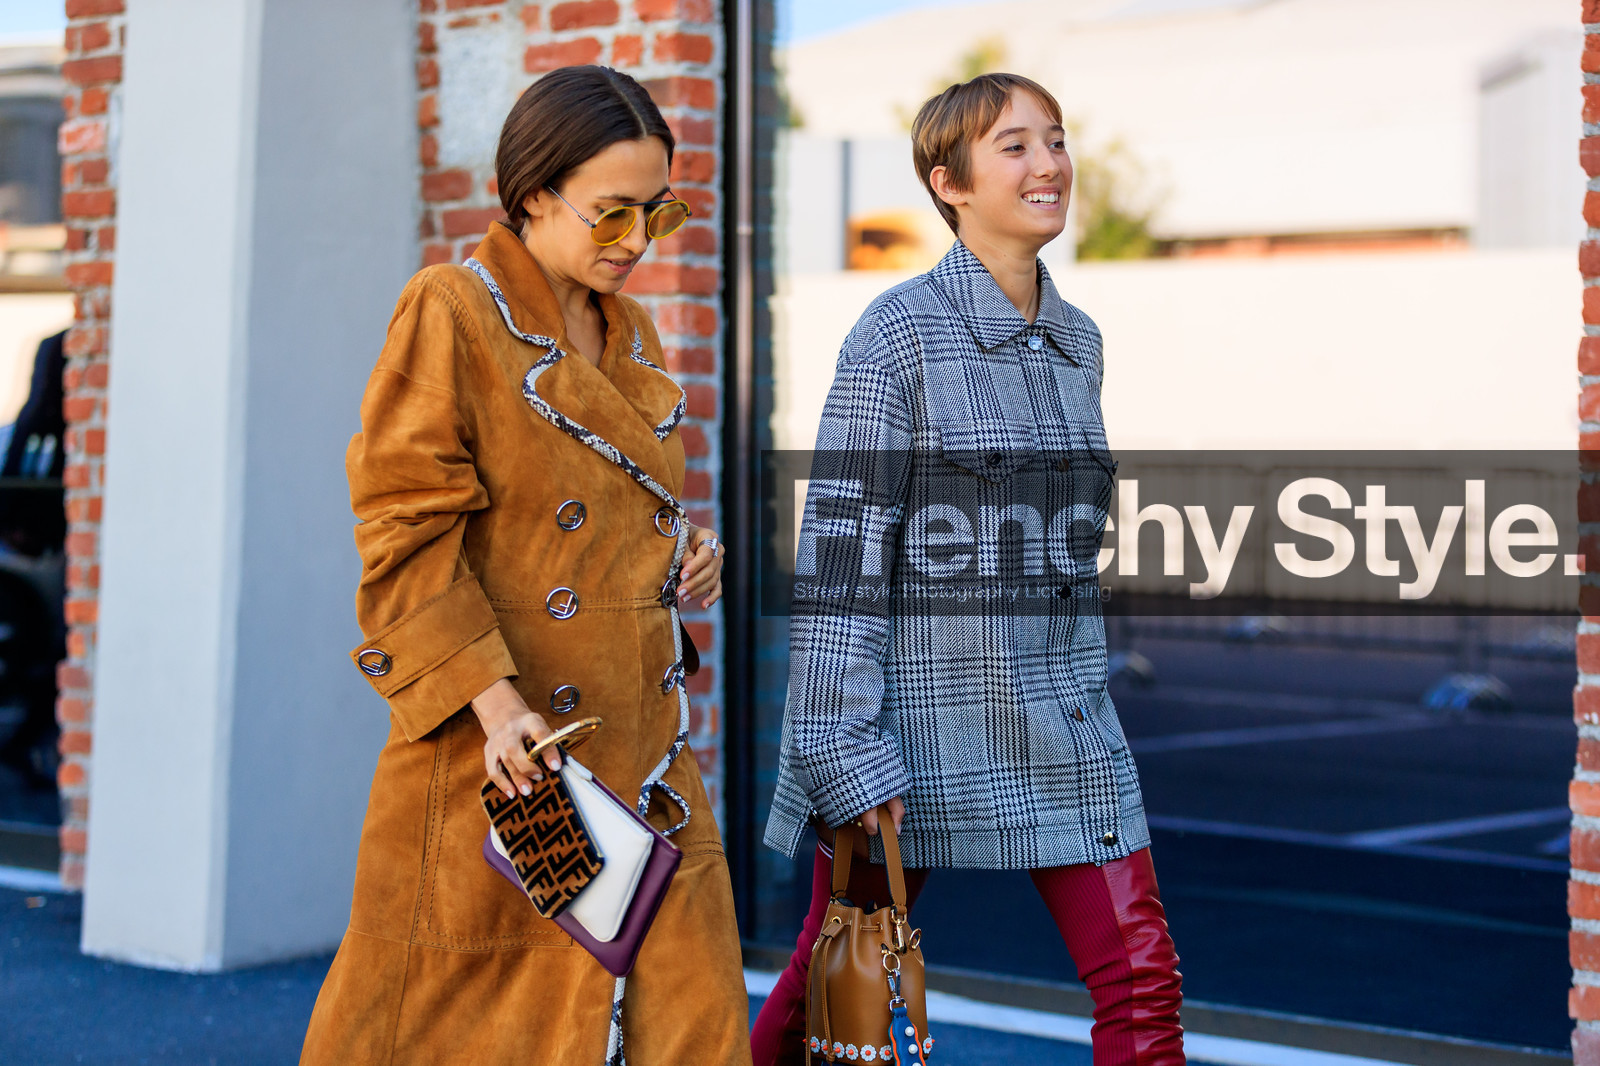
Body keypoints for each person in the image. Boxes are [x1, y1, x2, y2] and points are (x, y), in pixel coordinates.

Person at [301, 66, 751, 1066]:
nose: (636, 241)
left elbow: (601, 514)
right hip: (510, 751)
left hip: (642, 747)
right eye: (611, 213)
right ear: (535, 193)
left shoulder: (627, 327)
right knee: (475, 1031)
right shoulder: (454, 309)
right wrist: (498, 707)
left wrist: (682, 551)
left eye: (657, 210)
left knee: (694, 1021)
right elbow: (402, 528)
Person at [753, 74, 1186, 1065]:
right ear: (947, 182)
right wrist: (843, 748)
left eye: (1057, 140)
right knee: (835, 976)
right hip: (912, 738)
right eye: (1015, 147)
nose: (1049, 165)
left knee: (1141, 977)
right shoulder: (893, 337)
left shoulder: (1080, 342)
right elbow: (840, 557)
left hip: (1066, 723)